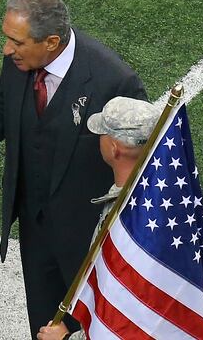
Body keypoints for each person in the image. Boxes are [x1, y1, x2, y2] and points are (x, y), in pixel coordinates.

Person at [0, 0, 147, 338]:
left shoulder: (114, 81)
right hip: (36, 230)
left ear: (51, 42)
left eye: (16, 42)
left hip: (89, 241)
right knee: (43, 328)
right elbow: (1, 112)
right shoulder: (20, 59)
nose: (7, 50)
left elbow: (137, 162)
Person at [37, 96, 160, 340]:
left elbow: (125, 319)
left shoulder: (123, 223)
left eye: (102, 133)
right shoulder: (165, 200)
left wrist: (64, 339)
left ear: (114, 148)